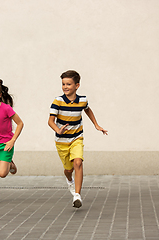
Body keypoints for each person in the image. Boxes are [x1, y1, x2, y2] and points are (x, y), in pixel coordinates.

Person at [48, 70, 108, 208]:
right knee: (68, 170)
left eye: (68, 84)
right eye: (63, 84)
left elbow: (87, 109)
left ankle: (77, 195)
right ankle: (69, 179)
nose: (65, 87)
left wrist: (96, 125)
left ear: (77, 85)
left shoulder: (82, 100)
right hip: (62, 141)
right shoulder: (58, 101)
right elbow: (50, 121)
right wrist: (58, 130)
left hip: (77, 138)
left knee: (78, 162)